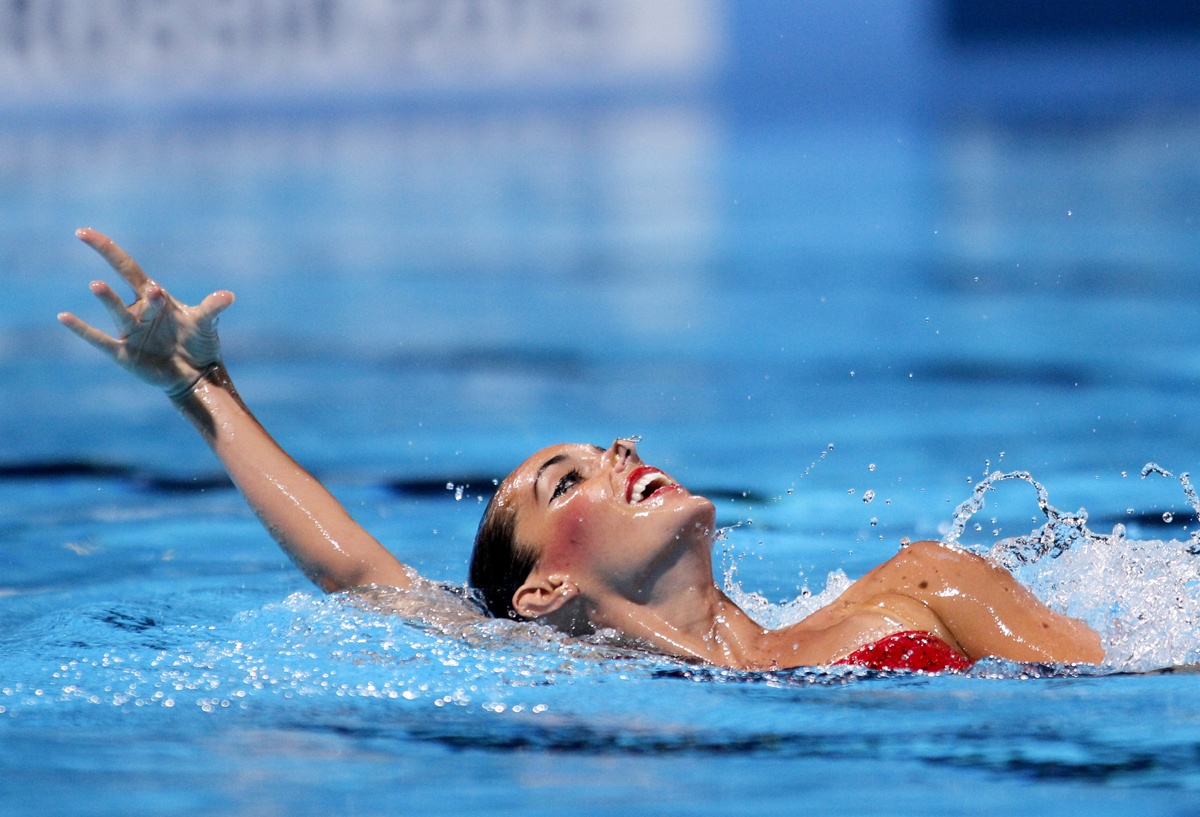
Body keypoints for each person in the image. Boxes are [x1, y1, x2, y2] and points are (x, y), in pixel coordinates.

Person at [59, 228, 1105, 673]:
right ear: (541, 588)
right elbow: (353, 569)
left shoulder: (922, 587)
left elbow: (1120, 702)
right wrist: (203, 391)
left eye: (596, 449)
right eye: (568, 478)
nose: (619, 448)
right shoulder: (538, 660)